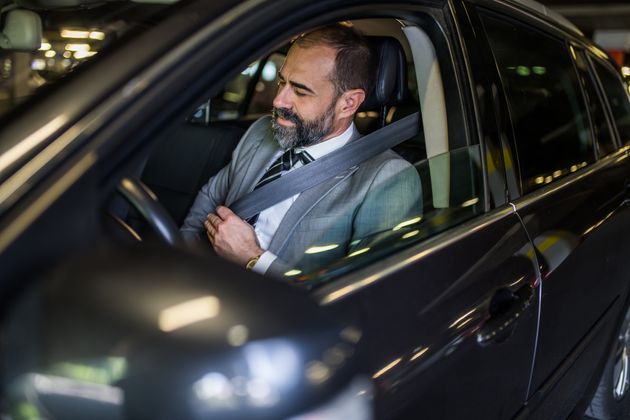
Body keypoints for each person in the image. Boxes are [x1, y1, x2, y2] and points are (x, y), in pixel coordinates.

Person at [181, 23, 421, 278]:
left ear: (348, 103)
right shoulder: (263, 131)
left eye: (300, 91)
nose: (278, 101)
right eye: (281, 82)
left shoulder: (388, 178)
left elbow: (367, 296)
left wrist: (253, 259)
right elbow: (210, 197)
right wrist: (183, 265)